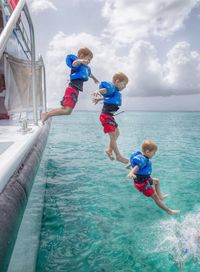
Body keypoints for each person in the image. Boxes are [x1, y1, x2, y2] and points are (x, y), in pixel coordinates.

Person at [42, 47, 99, 124]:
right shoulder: (77, 64)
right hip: (72, 89)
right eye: (88, 59)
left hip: (73, 90)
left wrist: (95, 79)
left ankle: (46, 114)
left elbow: (89, 74)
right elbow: (74, 63)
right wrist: (81, 60)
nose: (89, 62)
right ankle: (47, 115)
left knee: (64, 108)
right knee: (67, 111)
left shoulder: (84, 68)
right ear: (82, 56)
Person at [127, 140, 180, 215]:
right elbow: (137, 166)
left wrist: (128, 166)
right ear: (148, 151)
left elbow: (133, 163)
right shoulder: (143, 160)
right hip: (142, 184)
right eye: (154, 153)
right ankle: (169, 211)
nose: (154, 154)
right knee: (155, 198)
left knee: (157, 181)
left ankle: (161, 196)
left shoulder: (141, 157)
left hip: (146, 179)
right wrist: (131, 172)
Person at [92, 72, 129, 164]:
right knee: (112, 134)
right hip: (105, 116)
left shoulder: (114, 92)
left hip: (110, 117)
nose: (124, 87)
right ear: (117, 81)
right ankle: (118, 156)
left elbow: (108, 98)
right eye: (124, 84)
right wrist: (99, 92)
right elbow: (105, 90)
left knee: (117, 133)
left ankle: (109, 150)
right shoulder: (111, 87)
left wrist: (99, 99)